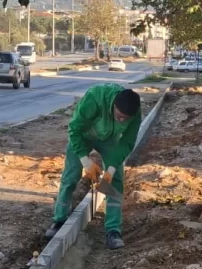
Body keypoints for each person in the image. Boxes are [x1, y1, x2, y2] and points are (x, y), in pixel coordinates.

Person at [46, 84, 142, 249]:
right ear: (113, 106)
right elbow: (74, 129)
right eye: (119, 116)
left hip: (109, 140)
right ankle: (59, 220)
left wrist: (110, 170)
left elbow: (126, 143)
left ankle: (113, 230)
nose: (121, 120)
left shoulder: (135, 113)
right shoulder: (95, 98)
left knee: (115, 181)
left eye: (125, 119)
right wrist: (85, 160)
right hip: (83, 136)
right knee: (71, 175)